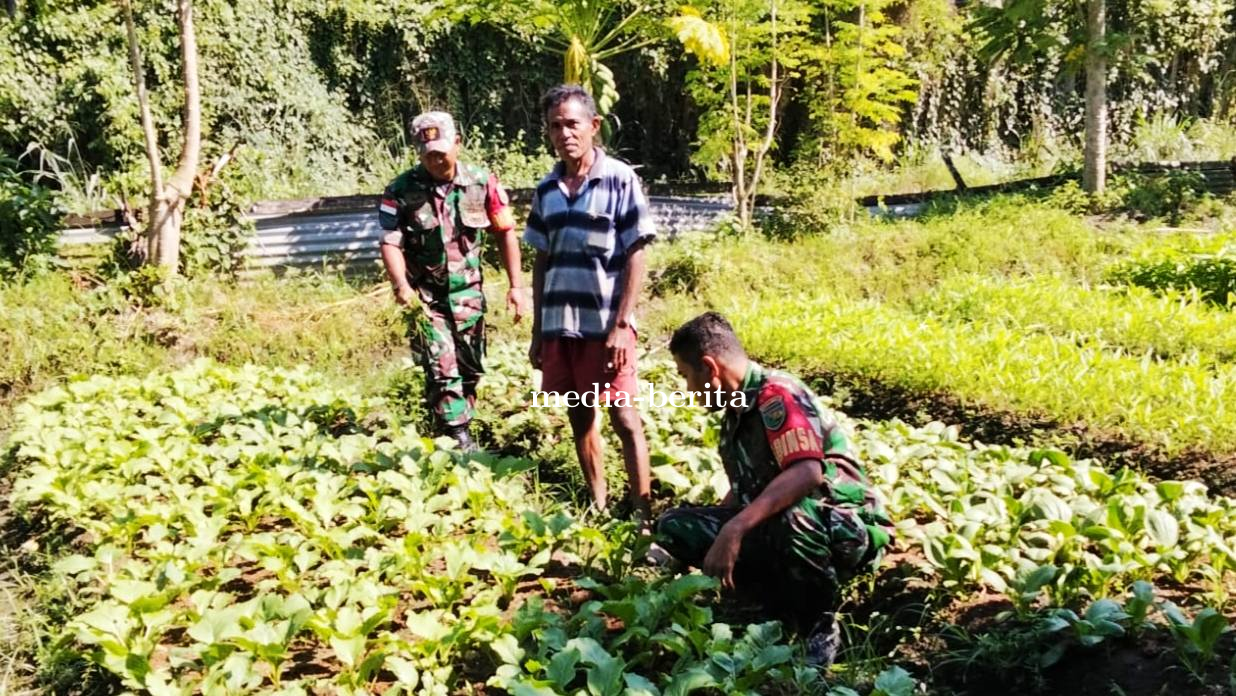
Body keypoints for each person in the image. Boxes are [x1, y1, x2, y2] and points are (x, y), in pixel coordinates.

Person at [654, 312, 895, 667]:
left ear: (709, 368)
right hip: (784, 526)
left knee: (792, 516)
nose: (689, 390)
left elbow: (807, 473)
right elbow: (745, 488)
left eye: (686, 376)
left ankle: (818, 627)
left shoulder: (777, 396)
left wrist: (734, 529)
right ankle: (767, 602)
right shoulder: (736, 410)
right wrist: (714, 531)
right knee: (674, 525)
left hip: (838, 526)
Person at [524, 84, 655, 519]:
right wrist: (538, 332)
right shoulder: (546, 189)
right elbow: (541, 261)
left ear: (593, 125)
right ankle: (598, 504)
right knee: (580, 417)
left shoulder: (619, 178)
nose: (564, 134)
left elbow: (637, 252)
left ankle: (642, 512)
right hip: (561, 327)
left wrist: (621, 324)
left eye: (572, 124)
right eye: (555, 126)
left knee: (625, 418)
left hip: (606, 328)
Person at [378, 111, 528, 452]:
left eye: (442, 152)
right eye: (428, 154)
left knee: (470, 367)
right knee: (441, 366)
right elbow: (389, 241)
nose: (436, 160)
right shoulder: (400, 190)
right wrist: (401, 286)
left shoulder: (481, 182)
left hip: (468, 296)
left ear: (457, 144)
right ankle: (458, 437)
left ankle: (452, 426)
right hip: (425, 298)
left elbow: (505, 232)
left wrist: (516, 286)